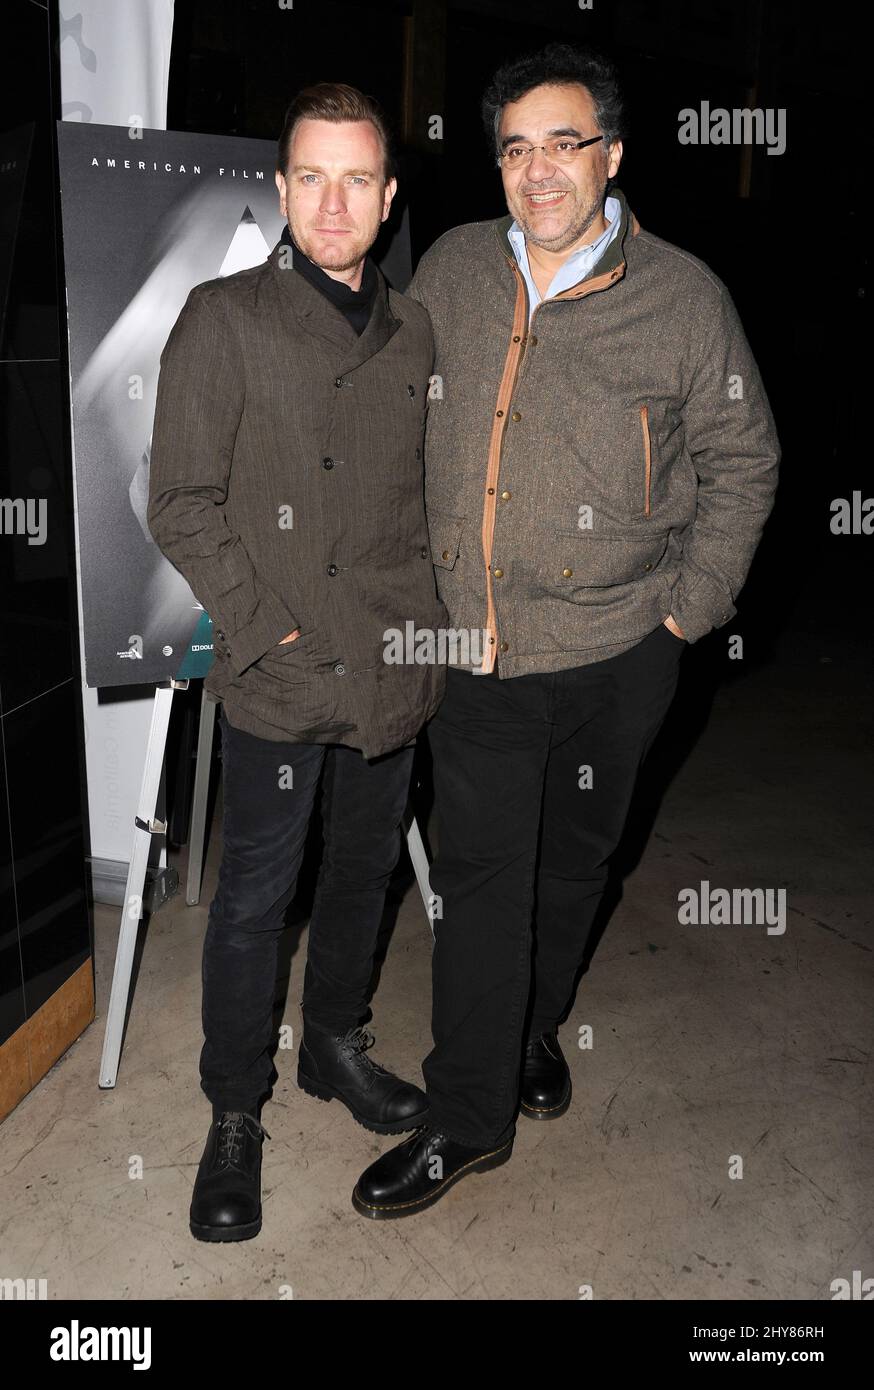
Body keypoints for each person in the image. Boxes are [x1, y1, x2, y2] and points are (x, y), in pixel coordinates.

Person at [352, 42, 780, 1219]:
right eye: (515, 149)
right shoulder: (452, 266)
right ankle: (467, 1113)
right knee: (483, 881)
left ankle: (532, 1027)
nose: (538, 171)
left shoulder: (683, 297)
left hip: (624, 650)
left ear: (612, 155)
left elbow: (744, 460)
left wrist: (688, 611)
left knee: (575, 864)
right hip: (479, 648)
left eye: (564, 144)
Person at [148, 83, 446, 1242]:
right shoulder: (223, 318)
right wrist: (267, 627)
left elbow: (424, 500)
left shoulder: (415, 331)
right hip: (279, 673)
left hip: (390, 669)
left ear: (387, 196)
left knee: (364, 875)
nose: (331, 203)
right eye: (310, 177)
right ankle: (235, 1109)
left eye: (355, 179)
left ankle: (332, 1044)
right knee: (254, 902)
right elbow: (181, 499)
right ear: (279, 187)